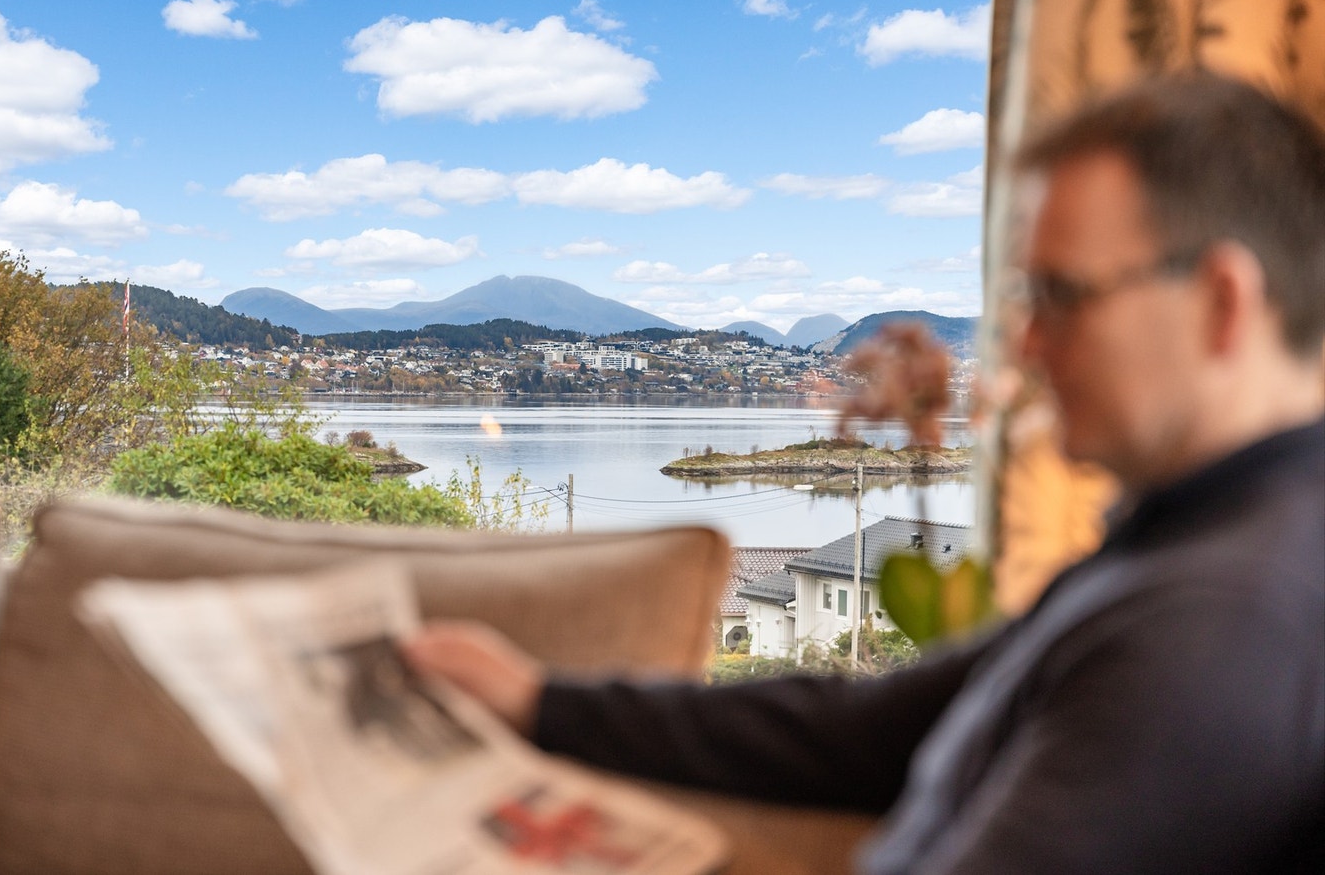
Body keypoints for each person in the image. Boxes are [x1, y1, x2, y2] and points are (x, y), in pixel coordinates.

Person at [405, 72, 1325, 874]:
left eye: (1062, 296)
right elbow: (871, 725)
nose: (1029, 345)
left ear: (1221, 299)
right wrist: (538, 699)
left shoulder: (1223, 615)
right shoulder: (1196, 538)